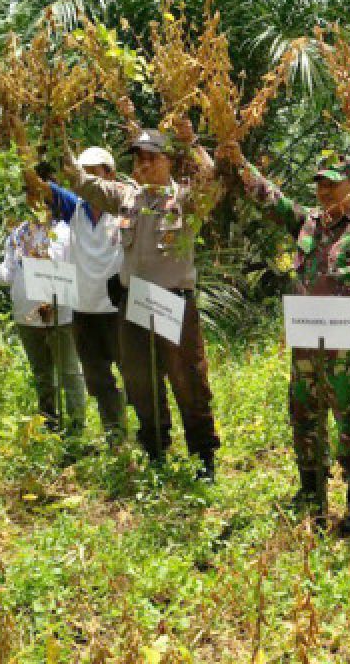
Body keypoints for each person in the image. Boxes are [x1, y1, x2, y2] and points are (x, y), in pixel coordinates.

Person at [219, 144, 350, 535]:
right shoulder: (307, 223)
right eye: (320, 184)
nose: (325, 192)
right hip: (306, 344)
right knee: (304, 416)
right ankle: (312, 490)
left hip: (345, 349)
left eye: (334, 184)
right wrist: (239, 159)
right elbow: (267, 197)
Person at [63, 124, 220, 477]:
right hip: (134, 303)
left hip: (172, 304)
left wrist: (191, 142)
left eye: (152, 158)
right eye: (139, 158)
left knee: (187, 380)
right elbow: (81, 181)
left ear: (168, 162)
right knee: (138, 378)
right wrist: (58, 133)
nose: (144, 165)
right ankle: (155, 448)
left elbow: (213, 179)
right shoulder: (126, 198)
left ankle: (203, 456)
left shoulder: (185, 199)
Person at [20, 147, 127, 447]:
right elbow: (36, 183)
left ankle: (144, 437)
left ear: (111, 175)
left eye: (96, 172)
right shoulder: (75, 207)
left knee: (132, 376)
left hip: (117, 308)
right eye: (84, 173)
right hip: (84, 309)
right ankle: (115, 435)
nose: (89, 179)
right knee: (97, 378)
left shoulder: (124, 207)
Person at [0, 184, 87, 437]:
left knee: (69, 371)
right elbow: (8, 273)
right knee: (42, 374)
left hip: (61, 315)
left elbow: (77, 272)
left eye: (43, 198)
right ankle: (49, 422)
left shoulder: (67, 232)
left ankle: (77, 426)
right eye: (32, 196)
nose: (37, 203)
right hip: (26, 314)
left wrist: (59, 300)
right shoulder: (17, 234)